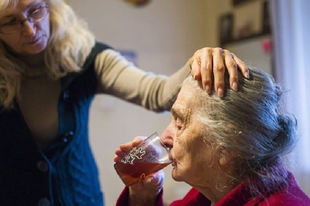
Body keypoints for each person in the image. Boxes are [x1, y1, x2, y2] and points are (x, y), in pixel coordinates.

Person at [0, 0, 249, 206]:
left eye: (35, 10)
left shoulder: (85, 56)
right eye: (11, 21)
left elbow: (158, 92)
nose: (30, 29)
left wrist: (198, 59)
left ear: (51, 6)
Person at [115, 66, 310, 206]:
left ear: (229, 145)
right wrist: (145, 197)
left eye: (180, 123)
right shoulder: (211, 192)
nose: (165, 137)